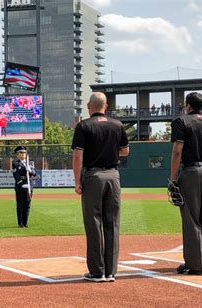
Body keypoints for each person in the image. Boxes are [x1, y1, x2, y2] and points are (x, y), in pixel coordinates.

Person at [72, 92, 129, 282]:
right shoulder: (117, 124)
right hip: (113, 176)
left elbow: (78, 156)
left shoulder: (83, 126)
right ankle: (111, 271)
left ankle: (97, 271)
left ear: (89, 106)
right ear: (106, 106)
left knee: (94, 223)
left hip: (93, 176)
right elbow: (125, 151)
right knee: (112, 223)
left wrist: (77, 181)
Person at [169, 92, 202, 275]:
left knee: (192, 219)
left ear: (188, 106)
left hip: (191, 172)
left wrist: (173, 178)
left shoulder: (181, 121)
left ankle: (196, 265)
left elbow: (177, 151)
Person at [12, 146, 37, 228]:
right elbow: (16, 175)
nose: (23, 154)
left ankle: (25, 222)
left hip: (29, 185)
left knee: (27, 204)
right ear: (17, 154)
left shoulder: (30, 163)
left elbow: (34, 174)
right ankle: (20, 223)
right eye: (21, 153)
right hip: (20, 186)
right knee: (20, 205)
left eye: (24, 153)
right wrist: (21, 184)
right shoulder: (15, 163)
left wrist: (30, 170)